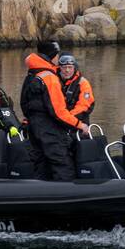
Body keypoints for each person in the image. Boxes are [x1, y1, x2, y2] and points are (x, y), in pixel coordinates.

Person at [20, 41, 90, 180]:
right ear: (52, 55)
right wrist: (80, 125)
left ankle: (42, 196)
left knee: (41, 165)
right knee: (63, 165)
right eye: (57, 55)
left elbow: (24, 103)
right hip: (50, 131)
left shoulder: (32, 75)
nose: (58, 59)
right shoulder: (50, 77)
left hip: (34, 129)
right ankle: (68, 198)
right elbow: (58, 111)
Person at [57, 53, 95, 124]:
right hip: (58, 121)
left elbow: (84, 106)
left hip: (77, 122)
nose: (67, 70)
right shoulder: (53, 81)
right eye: (64, 67)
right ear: (59, 68)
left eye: (70, 67)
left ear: (74, 68)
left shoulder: (83, 83)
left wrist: (67, 118)